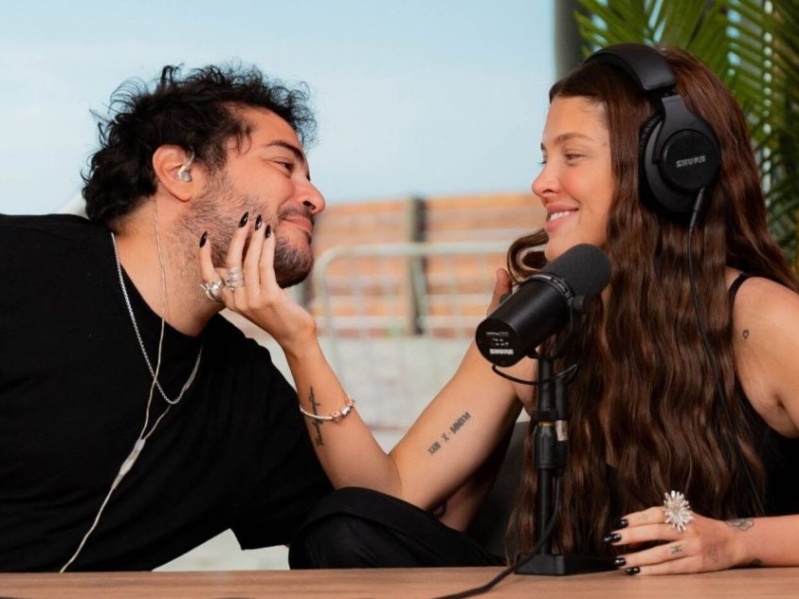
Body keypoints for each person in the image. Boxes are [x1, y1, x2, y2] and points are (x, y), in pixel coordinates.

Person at [212, 42, 799, 575]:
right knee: (342, 531)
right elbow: (387, 497)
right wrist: (300, 345)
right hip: (583, 589)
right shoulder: (544, 314)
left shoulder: (765, 320)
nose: (543, 182)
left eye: (573, 156)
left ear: (670, 167)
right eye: (544, 158)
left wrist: (733, 541)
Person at [0, 62, 333, 571]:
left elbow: (374, 528)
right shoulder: (17, 265)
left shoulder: (247, 395)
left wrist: (302, 345)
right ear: (181, 171)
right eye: (284, 165)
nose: (314, 198)